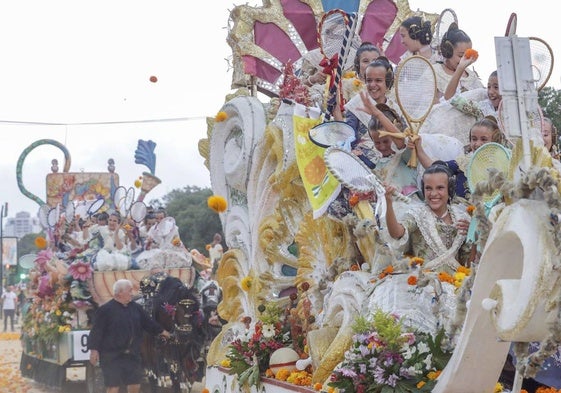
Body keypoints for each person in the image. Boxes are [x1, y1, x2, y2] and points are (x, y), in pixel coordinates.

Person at [384, 162, 471, 274]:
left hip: (456, 281)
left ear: (449, 190)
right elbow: (397, 233)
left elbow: (468, 262)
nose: (434, 193)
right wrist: (388, 203)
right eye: (428, 188)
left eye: (440, 188)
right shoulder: (417, 214)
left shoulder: (461, 217)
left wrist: (472, 234)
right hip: (424, 282)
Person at [88, 279, 170, 393]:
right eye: (129, 290)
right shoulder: (105, 310)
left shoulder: (136, 308)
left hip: (132, 354)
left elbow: (148, 323)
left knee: (135, 384)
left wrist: (163, 332)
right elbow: (96, 331)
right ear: (119, 293)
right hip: (111, 356)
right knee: (113, 386)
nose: (132, 293)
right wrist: (94, 351)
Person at [413, 117, 506, 201]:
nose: (477, 144)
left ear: (495, 141)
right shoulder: (463, 163)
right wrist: (418, 147)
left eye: (483, 139)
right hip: (461, 214)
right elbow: (434, 167)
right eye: (474, 139)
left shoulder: (505, 165)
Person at [433, 23, 483, 100]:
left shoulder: (471, 75)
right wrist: (460, 69)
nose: (464, 61)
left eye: (467, 56)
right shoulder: (434, 73)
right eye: (460, 56)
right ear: (448, 51)